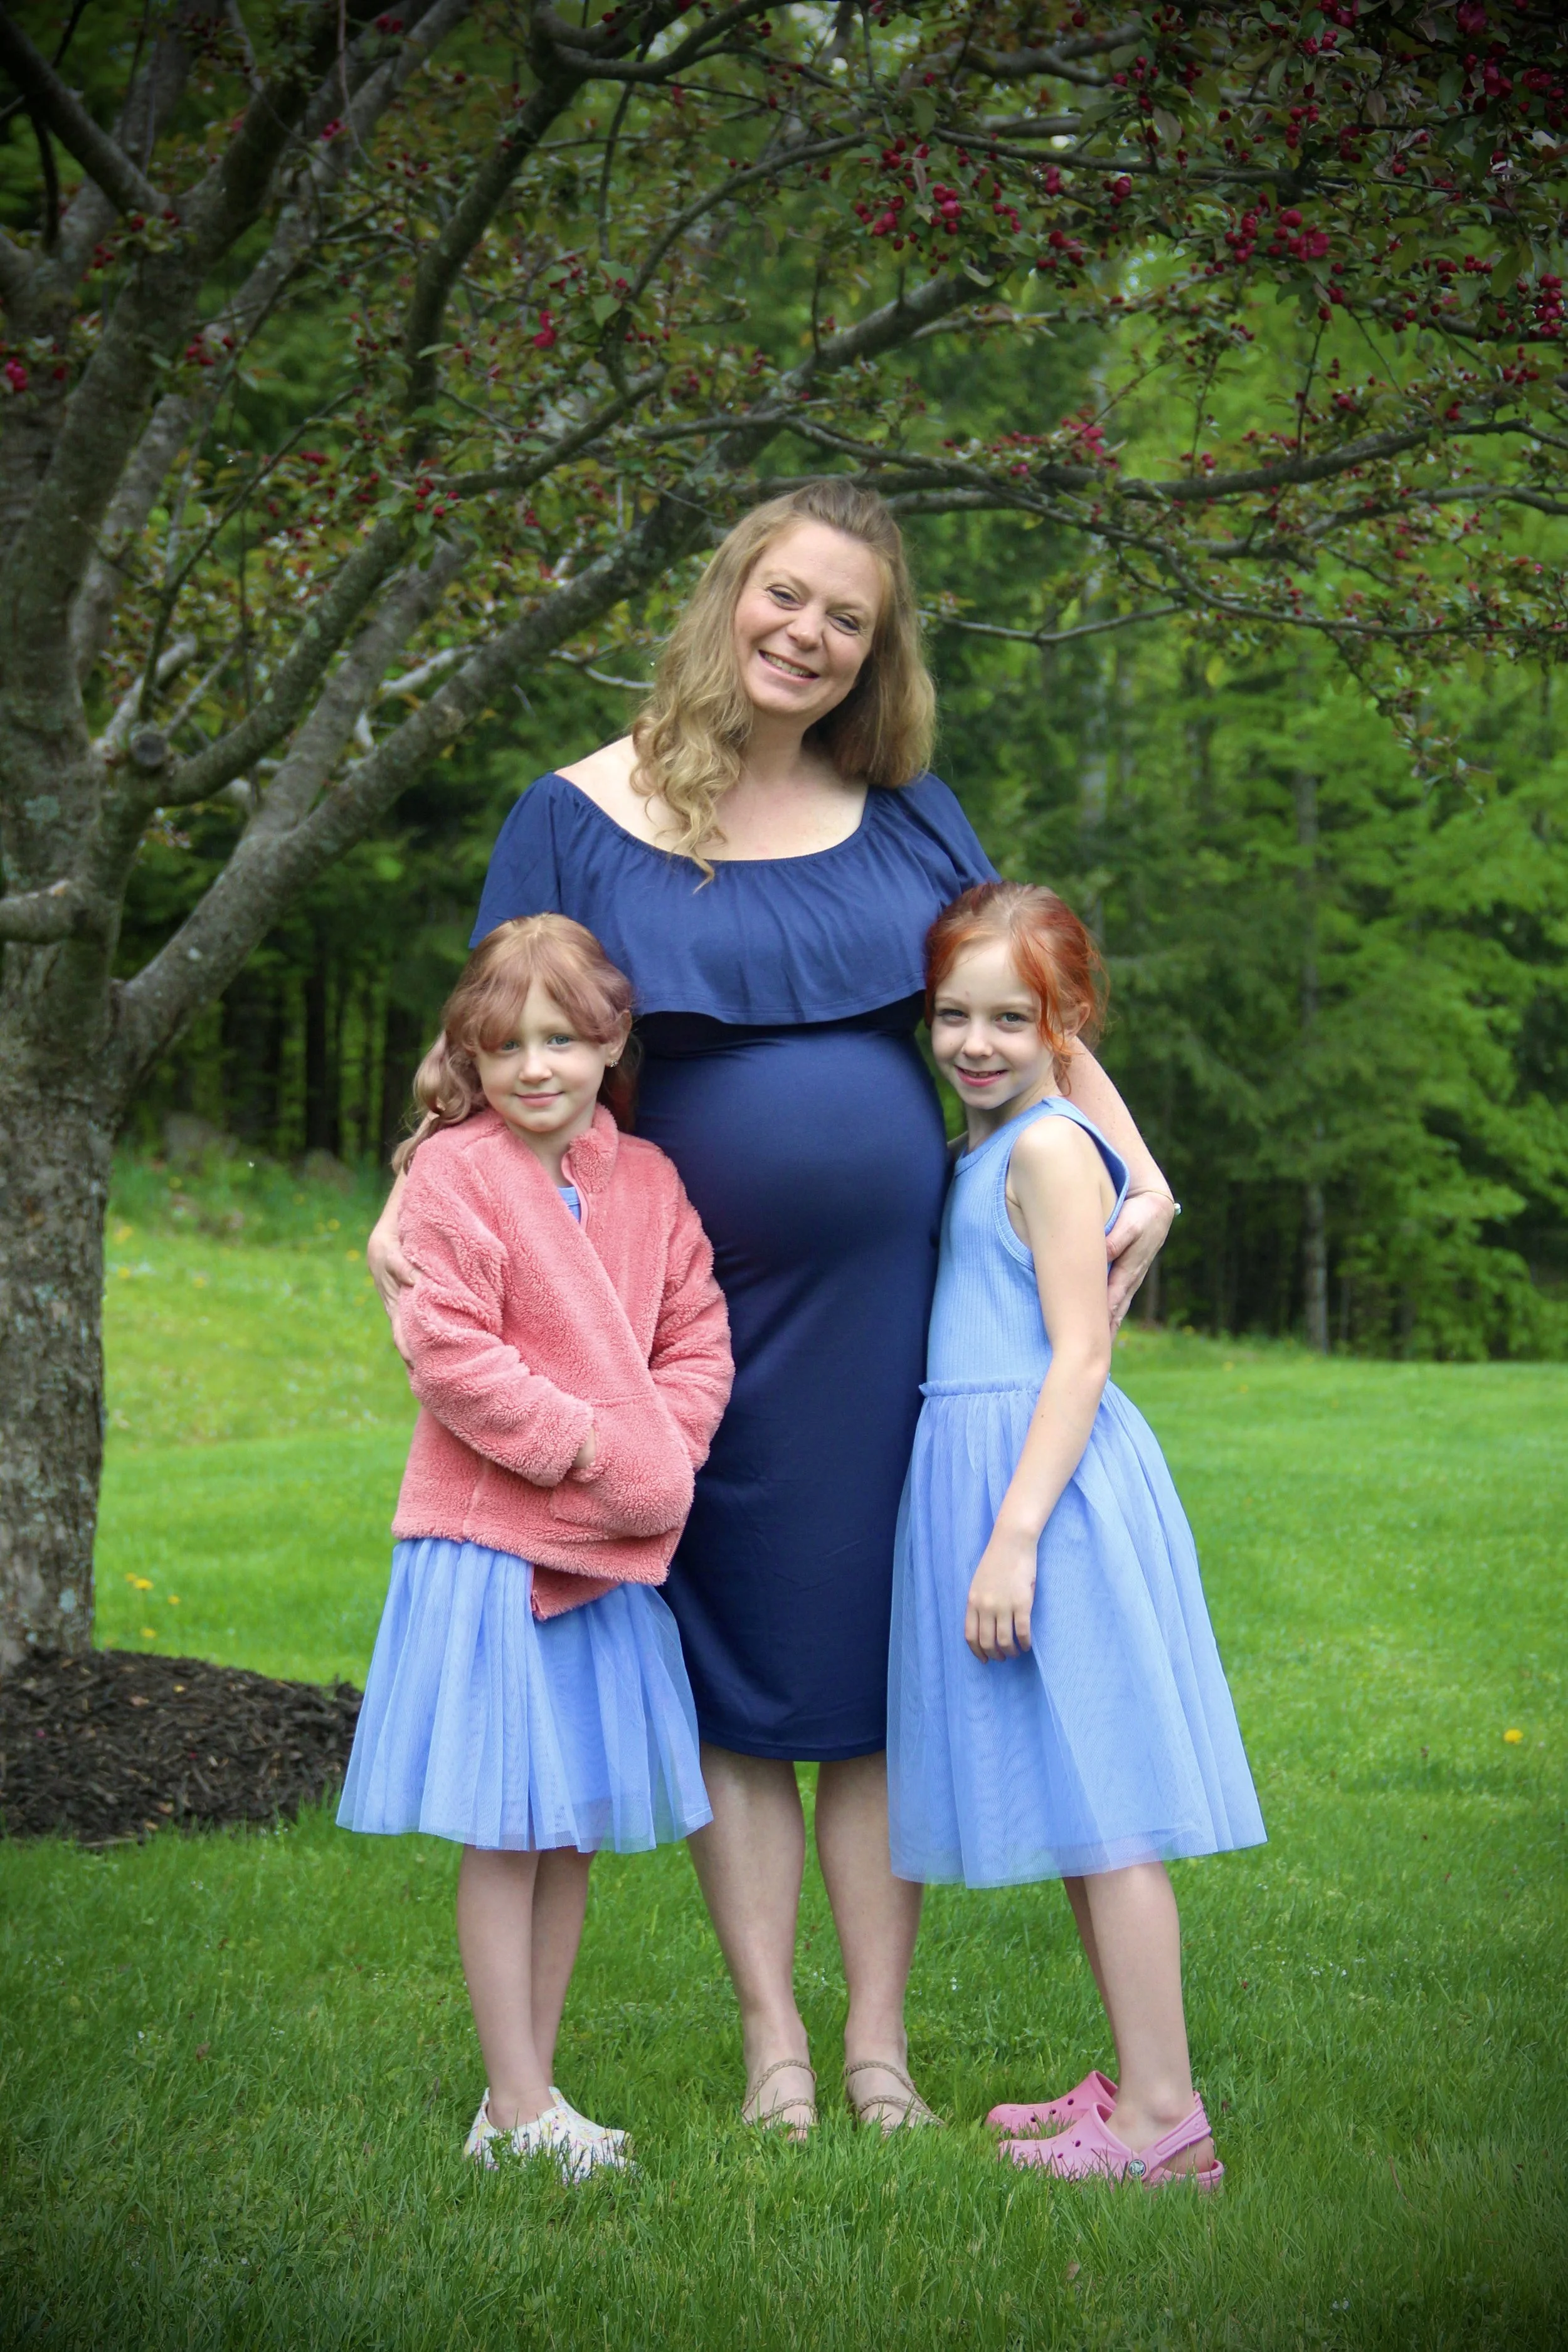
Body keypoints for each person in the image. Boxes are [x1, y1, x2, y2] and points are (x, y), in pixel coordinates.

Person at [368, 478, 1177, 2138]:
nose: (805, 636)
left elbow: (1024, 998)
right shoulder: (576, 813)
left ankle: (875, 2042)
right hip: (671, 1322)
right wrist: (417, 1205)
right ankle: (773, 2047)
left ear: (877, 654)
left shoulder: (908, 812)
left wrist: (1131, 1160)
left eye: (847, 619)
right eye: (785, 596)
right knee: (732, 1668)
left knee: (871, 1668)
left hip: (897, 1314)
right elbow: (494, 1038)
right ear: (730, 591)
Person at [340, 916, 732, 2174]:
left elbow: (698, 1342)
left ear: (611, 1041)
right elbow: (448, 1351)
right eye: (504, 1045)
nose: (536, 1067)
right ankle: (513, 2106)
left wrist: (657, 1459)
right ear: (472, 1056)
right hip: (496, 1547)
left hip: (607, 1555)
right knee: (505, 1826)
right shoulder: (455, 1174)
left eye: (563, 1039)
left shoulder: (652, 1185)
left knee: (567, 1826)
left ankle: (529, 2093)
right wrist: (589, 1452)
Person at [889, 881, 1265, 2186]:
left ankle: (1165, 2120)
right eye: (954, 1016)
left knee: (1108, 1813)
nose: (977, 1043)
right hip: (1000, 1474)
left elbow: (1077, 1355)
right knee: (1074, 1803)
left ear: (1069, 1024)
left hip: (1048, 1491)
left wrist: (1014, 1534)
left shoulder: (1046, 1147)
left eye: (1011, 1017)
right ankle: (1129, 2080)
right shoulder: (988, 1145)